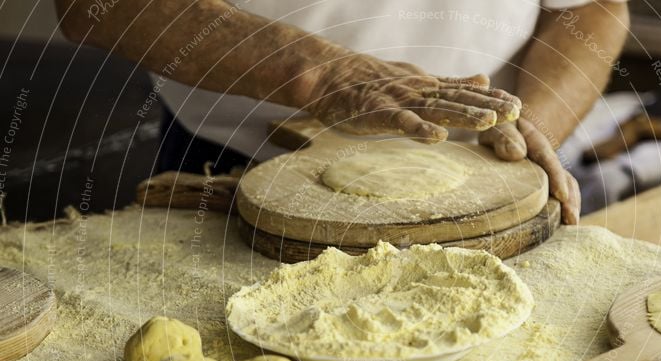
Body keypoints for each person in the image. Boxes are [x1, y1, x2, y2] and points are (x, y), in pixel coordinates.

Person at [56, 0, 630, 224]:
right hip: (243, 162)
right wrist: (322, 74)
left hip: (487, 183)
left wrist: (529, 132)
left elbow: (591, 9)